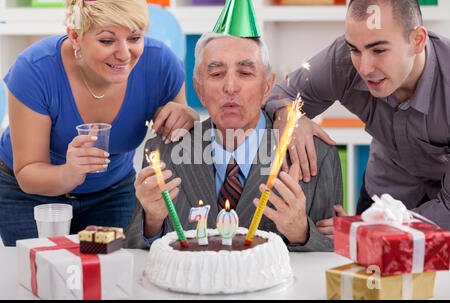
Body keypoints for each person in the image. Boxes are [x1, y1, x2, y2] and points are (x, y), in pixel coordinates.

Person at [0, 0, 199, 246]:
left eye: (135, 38)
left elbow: (178, 141)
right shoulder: (34, 70)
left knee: (109, 275)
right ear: (75, 36)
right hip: (30, 196)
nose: (125, 54)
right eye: (107, 41)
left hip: (112, 192)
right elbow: (28, 172)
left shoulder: (160, 64)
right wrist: (69, 173)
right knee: (40, 277)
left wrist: (188, 118)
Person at [124, 31, 343, 251]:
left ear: (267, 87)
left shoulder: (316, 154)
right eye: (217, 73)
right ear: (199, 89)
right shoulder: (162, 152)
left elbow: (332, 255)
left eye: (245, 73)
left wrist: (301, 232)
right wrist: (151, 221)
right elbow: (134, 251)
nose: (230, 87)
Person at [265, 0, 450, 233]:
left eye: (379, 50)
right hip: (382, 196)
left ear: (417, 41)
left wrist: (366, 227)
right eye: (355, 49)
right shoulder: (342, 60)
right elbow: (282, 92)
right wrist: (288, 114)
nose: (364, 67)